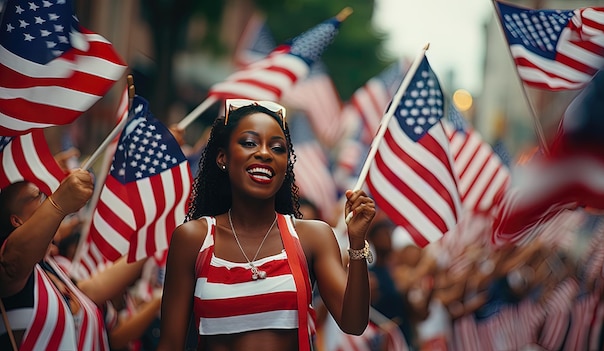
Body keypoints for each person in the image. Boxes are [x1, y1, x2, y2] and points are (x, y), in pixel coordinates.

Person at [157, 99, 376, 351]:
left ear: (286, 165)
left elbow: (354, 323)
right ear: (222, 158)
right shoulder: (193, 238)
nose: (264, 153)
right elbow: (170, 343)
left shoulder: (312, 236)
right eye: (249, 143)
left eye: (277, 148)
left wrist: (357, 243)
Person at [0, 171, 148, 350]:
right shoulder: (12, 270)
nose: (47, 198)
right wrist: (58, 204)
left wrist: (149, 244)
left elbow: (93, 289)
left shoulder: (48, 266)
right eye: (38, 195)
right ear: (17, 220)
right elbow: (13, 259)